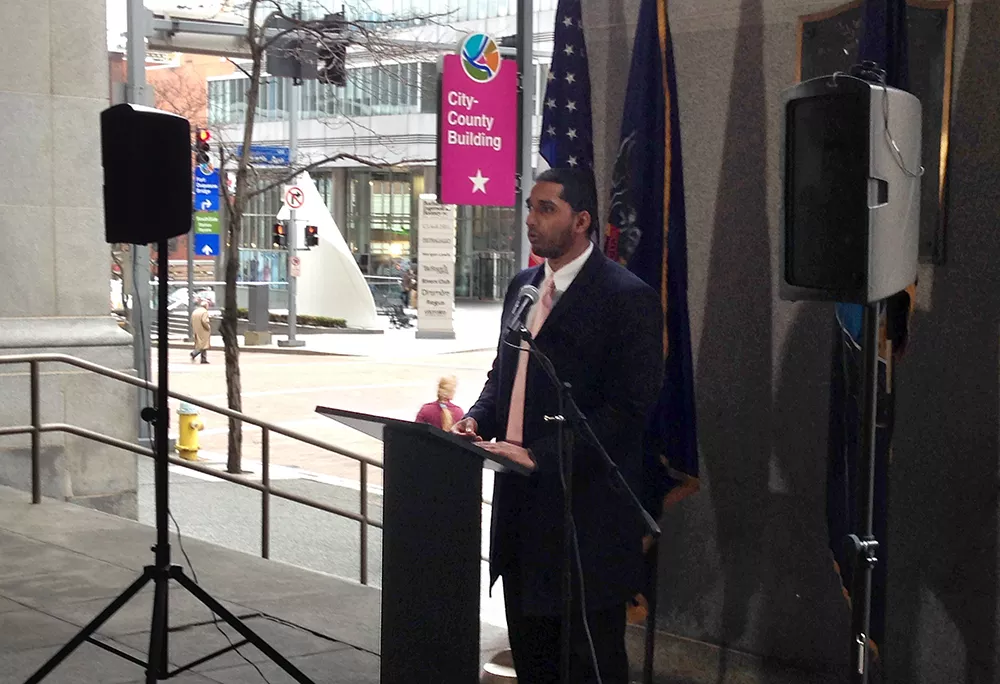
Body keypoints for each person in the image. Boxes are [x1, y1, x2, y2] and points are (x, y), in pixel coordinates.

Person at [451, 168, 664, 684]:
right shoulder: (521, 288)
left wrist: (542, 455)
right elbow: (504, 376)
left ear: (582, 221)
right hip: (519, 512)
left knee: (589, 665)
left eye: (546, 209)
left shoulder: (626, 297)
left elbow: (626, 411)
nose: (531, 219)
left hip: (583, 520)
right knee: (534, 660)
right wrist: (477, 417)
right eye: (530, 206)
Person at [189, 299, 212, 364]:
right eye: (208, 306)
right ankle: (194, 353)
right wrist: (208, 327)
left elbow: (191, 321)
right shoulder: (204, 312)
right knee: (203, 345)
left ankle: (203, 359)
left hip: (196, 330)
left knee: (200, 344)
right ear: (206, 306)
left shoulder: (195, 311)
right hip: (203, 330)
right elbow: (204, 321)